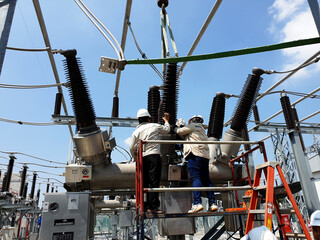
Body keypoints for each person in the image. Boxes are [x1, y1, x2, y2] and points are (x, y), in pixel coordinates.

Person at [130, 109, 170, 213]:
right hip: (153, 156)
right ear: (148, 118)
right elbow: (167, 130)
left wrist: (135, 158)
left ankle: (146, 206)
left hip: (142, 158)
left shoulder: (136, 131)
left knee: (144, 182)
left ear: (139, 120)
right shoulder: (154, 126)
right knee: (154, 181)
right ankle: (154, 207)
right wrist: (166, 120)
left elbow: (131, 147)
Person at [175, 115, 218, 213]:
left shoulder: (193, 126)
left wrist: (174, 127)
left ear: (192, 121)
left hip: (194, 155)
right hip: (205, 157)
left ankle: (197, 203)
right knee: (206, 180)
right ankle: (212, 203)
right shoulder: (202, 129)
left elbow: (179, 132)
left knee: (196, 179)